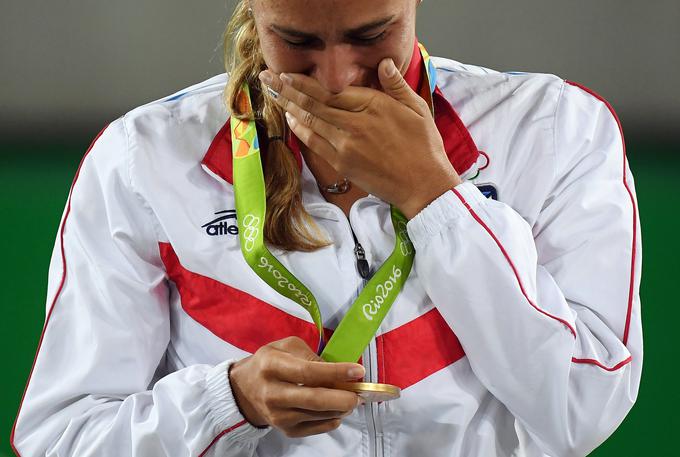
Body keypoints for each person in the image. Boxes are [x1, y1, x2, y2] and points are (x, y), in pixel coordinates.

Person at [12, 0, 642, 456]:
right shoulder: (143, 159)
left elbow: (578, 409)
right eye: (298, 42)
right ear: (254, 15)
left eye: (373, 35)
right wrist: (226, 401)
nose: (338, 77)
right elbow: (64, 439)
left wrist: (434, 194)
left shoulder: (553, 129)